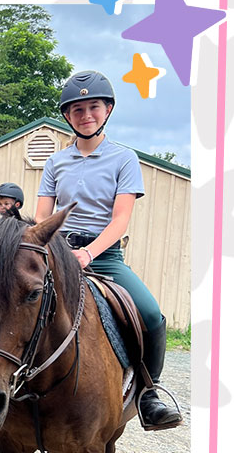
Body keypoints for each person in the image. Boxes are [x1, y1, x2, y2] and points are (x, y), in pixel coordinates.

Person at [35, 69, 182, 430]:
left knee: (151, 315)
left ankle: (149, 394)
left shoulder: (124, 159)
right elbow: (42, 217)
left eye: (94, 107)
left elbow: (120, 220)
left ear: (108, 110)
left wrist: (87, 254)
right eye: (77, 109)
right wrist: (49, 249)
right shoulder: (55, 163)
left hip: (105, 255)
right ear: (67, 116)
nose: (86, 115)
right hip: (58, 251)